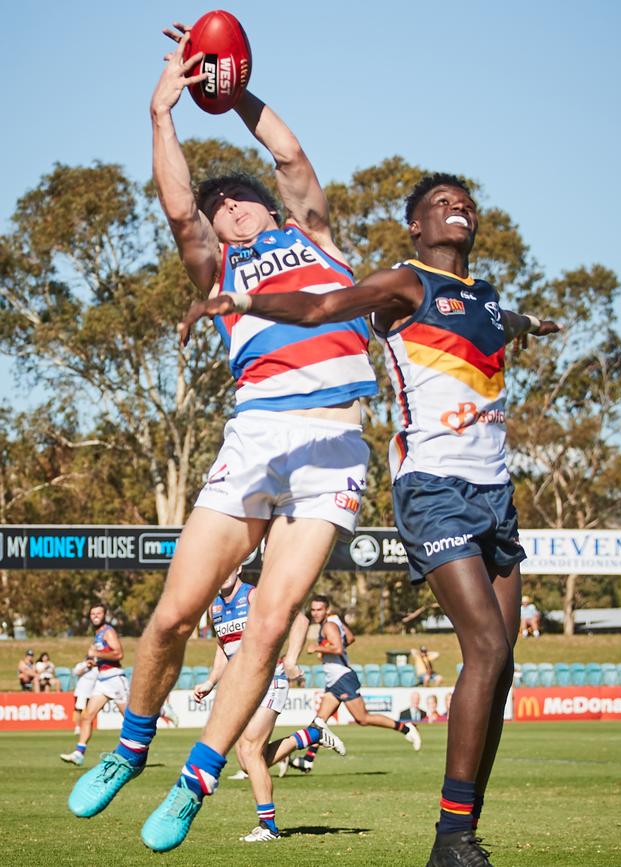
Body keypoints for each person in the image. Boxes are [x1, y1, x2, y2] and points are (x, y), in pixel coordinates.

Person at [182, 174, 560, 866]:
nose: (458, 208)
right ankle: (453, 837)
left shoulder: (485, 295)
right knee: (487, 650)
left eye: (465, 201)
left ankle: (460, 829)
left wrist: (531, 324)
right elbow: (323, 303)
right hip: (434, 487)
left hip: (496, 493)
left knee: (504, 666)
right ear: (415, 227)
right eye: (440, 204)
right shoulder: (403, 284)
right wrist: (241, 297)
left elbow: (497, 321)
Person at [67, 22, 376, 853]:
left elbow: (292, 154)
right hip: (257, 434)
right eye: (214, 207)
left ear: (265, 206)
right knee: (172, 615)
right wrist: (164, 112)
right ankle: (129, 750)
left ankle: (194, 783)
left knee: (272, 624)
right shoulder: (220, 271)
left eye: (231, 200)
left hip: (335, 442)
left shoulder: (311, 233)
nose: (219, 210)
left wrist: (230, 90)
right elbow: (174, 207)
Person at [193, 567, 343, 843]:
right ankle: (312, 735)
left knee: (250, 751)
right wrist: (211, 681)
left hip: (269, 678)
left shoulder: (253, 596)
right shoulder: (215, 608)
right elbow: (223, 648)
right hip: (243, 685)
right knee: (249, 760)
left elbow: (298, 619)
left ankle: (268, 826)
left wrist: (292, 660)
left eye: (230, 566)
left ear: (238, 568)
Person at [284, 594, 422, 776]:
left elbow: (339, 648)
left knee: (362, 718)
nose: (315, 613)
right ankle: (307, 761)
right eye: (313, 609)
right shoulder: (333, 624)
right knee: (319, 722)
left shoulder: (329, 625)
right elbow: (350, 638)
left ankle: (406, 727)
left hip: (342, 678)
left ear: (327, 610)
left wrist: (318, 648)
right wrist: (329, 648)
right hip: (334, 681)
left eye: (319, 609)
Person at [61, 603, 128, 766]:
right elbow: (102, 655)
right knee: (87, 716)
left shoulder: (108, 631)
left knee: (130, 719)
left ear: (104, 615)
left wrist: (96, 653)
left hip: (115, 679)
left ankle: (160, 711)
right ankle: (79, 753)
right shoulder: (97, 634)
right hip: (102, 680)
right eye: (92, 614)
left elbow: (119, 653)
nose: (95, 616)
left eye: (98, 613)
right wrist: (93, 660)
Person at [71, 655, 98, 735]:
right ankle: (77, 727)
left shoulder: (96, 668)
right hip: (81, 692)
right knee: (78, 710)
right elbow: (76, 672)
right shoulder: (81, 665)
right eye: (89, 659)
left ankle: (87, 727)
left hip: (92, 693)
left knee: (89, 712)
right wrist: (86, 666)